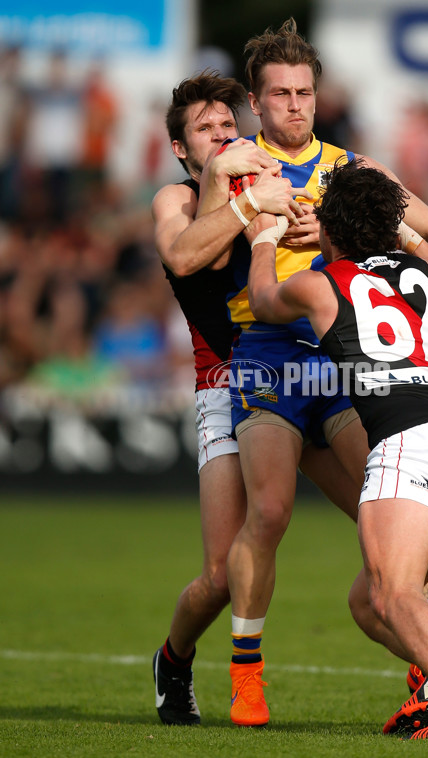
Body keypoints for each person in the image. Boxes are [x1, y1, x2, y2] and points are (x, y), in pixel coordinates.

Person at [222, 17, 428, 728]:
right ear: (257, 102)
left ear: (318, 95)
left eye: (304, 92)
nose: (293, 106)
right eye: (279, 94)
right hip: (272, 352)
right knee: (272, 510)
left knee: (390, 531)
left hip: (348, 363)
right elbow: (189, 249)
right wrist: (253, 216)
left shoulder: (352, 170)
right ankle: (247, 675)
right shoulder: (231, 166)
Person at [150, 70, 312, 726]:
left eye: (226, 124)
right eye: (205, 131)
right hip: (224, 383)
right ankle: (175, 655)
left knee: (377, 513)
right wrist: (238, 198)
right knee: (219, 575)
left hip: (301, 376)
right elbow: (189, 260)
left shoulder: (266, 184)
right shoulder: (175, 200)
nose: (221, 136)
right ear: (182, 151)